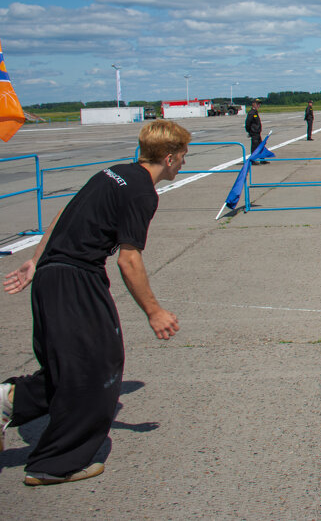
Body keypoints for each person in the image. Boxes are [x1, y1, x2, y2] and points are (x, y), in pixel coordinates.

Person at [2, 120, 187, 486]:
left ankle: (9, 401)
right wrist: (155, 311)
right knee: (98, 368)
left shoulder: (114, 172)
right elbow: (128, 259)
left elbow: (63, 212)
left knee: (69, 368)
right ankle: (56, 464)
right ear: (168, 158)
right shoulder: (142, 193)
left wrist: (37, 260)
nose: (183, 162)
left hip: (53, 275)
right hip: (76, 280)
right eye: (183, 156)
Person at [245, 98, 266, 164]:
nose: (258, 105)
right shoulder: (251, 113)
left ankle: (262, 160)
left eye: (259, 104)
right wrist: (250, 132)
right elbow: (248, 123)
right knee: (254, 147)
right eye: (257, 104)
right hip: (254, 133)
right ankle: (253, 160)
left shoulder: (255, 112)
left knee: (261, 146)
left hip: (257, 132)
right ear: (253, 104)